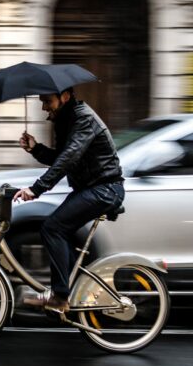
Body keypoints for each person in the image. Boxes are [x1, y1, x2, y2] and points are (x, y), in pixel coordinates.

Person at [13, 87, 125, 313]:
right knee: (59, 231)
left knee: (52, 228)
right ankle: (71, 288)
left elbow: (68, 158)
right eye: (42, 102)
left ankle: (60, 296)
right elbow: (61, 158)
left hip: (104, 189)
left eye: (47, 101)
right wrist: (36, 149)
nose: (44, 107)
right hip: (91, 188)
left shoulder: (83, 119)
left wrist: (37, 188)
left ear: (65, 96)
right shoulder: (67, 119)